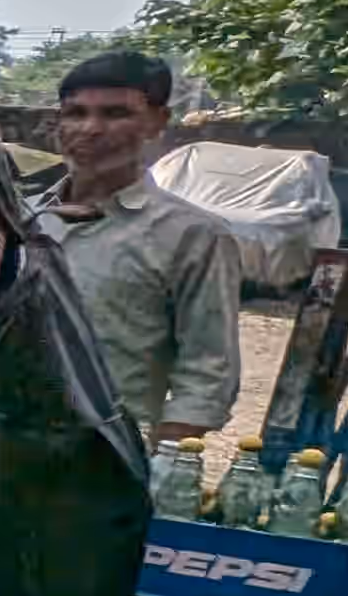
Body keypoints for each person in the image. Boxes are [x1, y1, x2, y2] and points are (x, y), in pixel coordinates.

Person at [33, 48, 239, 441]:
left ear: (157, 122)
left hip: (101, 459)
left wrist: (157, 467)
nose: (91, 129)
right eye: (76, 113)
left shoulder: (192, 235)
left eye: (115, 114)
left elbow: (208, 373)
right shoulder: (19, 219)